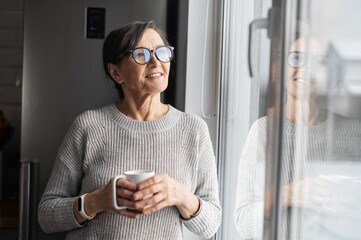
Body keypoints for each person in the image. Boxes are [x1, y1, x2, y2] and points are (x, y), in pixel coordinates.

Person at [38, 21, 221, 240]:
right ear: (116, 72)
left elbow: (211, 225)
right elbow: (46, 216)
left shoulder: (193, 130)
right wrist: (97, 201)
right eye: (141, 54)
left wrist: (181, 195)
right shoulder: (88, 126)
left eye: (162, 52)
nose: (155, 61)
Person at [234, 37, 361, 239]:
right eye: (296, 58)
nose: (303, 68)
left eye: (317, 62)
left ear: (335, 79)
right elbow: (243, 223)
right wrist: (286, 195)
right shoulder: (263, 132)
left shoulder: (354, 134)